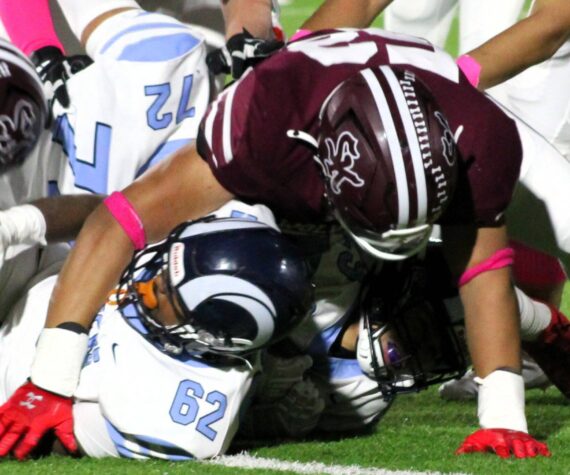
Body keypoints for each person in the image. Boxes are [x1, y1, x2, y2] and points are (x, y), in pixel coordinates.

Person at [2, 15, 570, 460]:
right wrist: (49, 380)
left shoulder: (480, 136)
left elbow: (481, 269)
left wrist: (503, 417)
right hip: (283, 175)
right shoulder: (269, 125)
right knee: (248, 270)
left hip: (419, 119)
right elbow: (119, 218)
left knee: (406, 329)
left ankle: (545, 324)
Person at [0, 201, 314, 460]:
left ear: (206, 338)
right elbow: (107, 217)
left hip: (12, 380)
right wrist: (14, 225)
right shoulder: (236, 216)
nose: (147, 282)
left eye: (166, 295)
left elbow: (42, 434)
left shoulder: (171, 419)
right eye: (164, 266)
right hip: (40, 277)